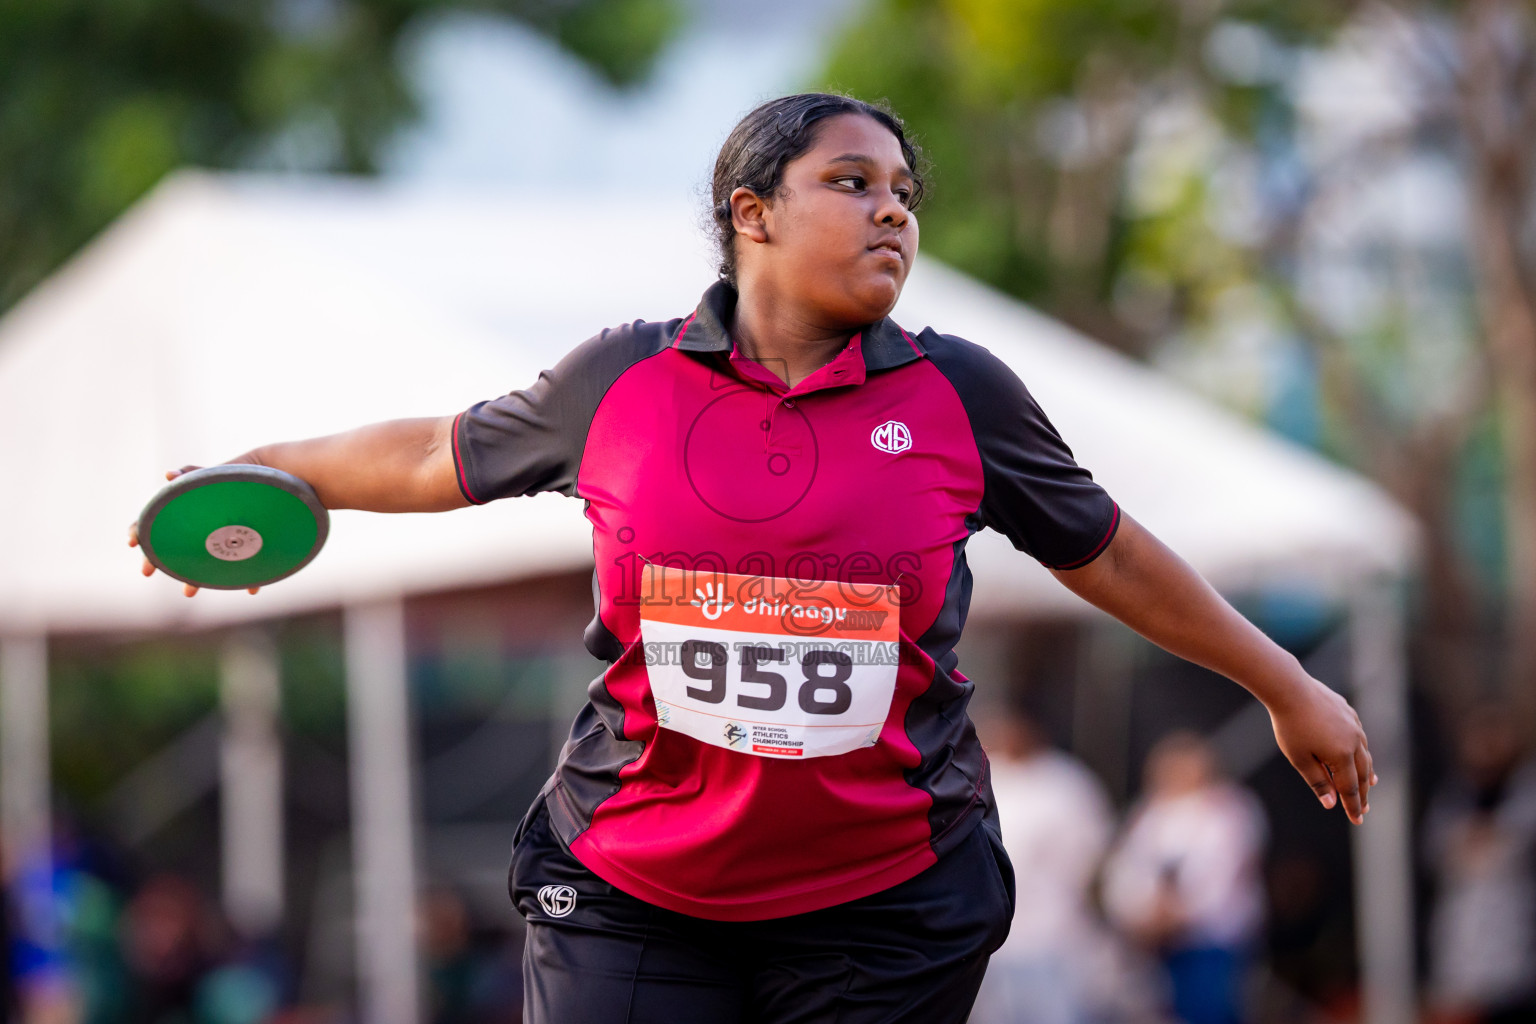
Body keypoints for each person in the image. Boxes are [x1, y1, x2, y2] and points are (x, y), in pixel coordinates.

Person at [129, 93, 1375, 1024]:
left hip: (886, 905)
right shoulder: (624, 380)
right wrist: (261, 471)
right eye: (853, 181)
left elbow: (1112, 555)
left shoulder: (960, 396)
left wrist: (1288, 684)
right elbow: (431, 455)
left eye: (905, 191)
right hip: (631, 890)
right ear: (753, 212)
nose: (894, 207)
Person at [1101, 732, 1268, 1024]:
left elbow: (1223, 877)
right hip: (1153, 944)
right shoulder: (1148, 815)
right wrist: (1137, 912)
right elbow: (1125, 872)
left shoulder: (1230, 809)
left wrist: (1177, 914)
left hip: (1210, 943)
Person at [968, 711, 1118, 1024]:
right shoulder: (980, 776)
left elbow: (1091, 858)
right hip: (992, 940)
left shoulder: (1064, 781)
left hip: (1053, 935)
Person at [1423, 703, 1536, 1023]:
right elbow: (1439, 851)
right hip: (1463, 961)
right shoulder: (1452, 799)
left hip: (1520, 962)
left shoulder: (1526, 794)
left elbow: (1511, 843)